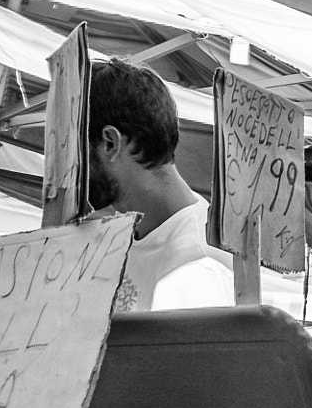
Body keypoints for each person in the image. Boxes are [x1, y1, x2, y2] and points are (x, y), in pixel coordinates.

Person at [86, 58, 240, 312]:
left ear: (110, 144)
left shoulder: (197, 268)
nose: (70, 169)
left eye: (74, 151)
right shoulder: (126, 235)